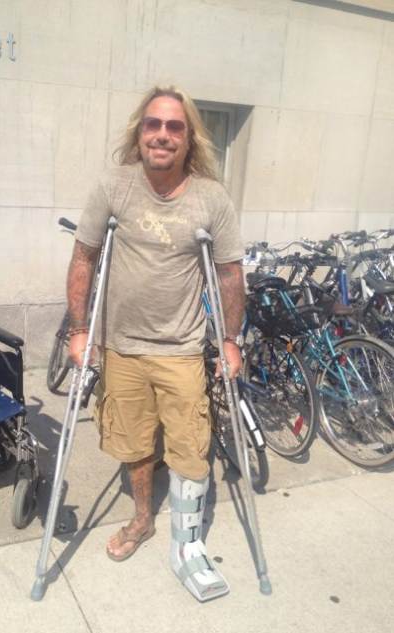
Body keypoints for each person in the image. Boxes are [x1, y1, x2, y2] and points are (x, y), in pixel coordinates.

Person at [66, 85, 245, 601]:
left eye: (174, 127)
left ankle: (186, 546)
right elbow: (84, 257)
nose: (162, 135)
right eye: (153, 124)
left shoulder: (211, 198)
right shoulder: (114, 186)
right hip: (121, 346)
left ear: (189, 139)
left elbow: (230, 274)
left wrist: (230, 339)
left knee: (190, 449)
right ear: (139, 132)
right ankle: (142, 518)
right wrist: (80, 330)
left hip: (181, 349)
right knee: (134, 444)